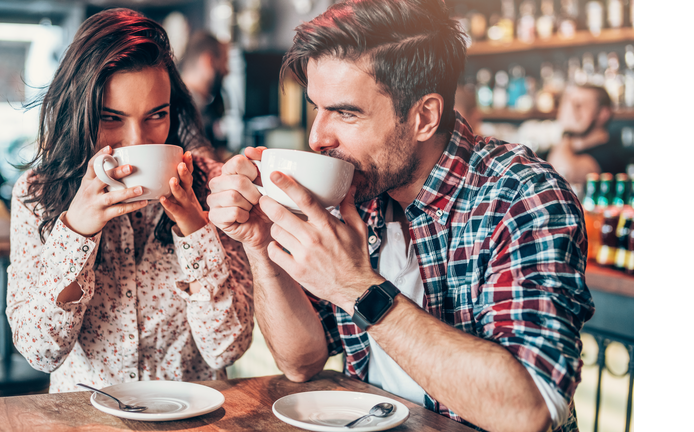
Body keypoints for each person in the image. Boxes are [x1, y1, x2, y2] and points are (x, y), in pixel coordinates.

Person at [206, 1, 594, 431]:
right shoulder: (356, 190)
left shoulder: (521, 196)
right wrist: (260, 243)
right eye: (317, 107)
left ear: (424, 116)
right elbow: (301, 361)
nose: (317, 137)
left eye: (346, 112)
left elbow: (529, 410)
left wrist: (356, 287)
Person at [6, 8, 254, 393]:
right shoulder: (37, 192)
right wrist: (76, 232)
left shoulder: (212, 185)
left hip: (191, 416)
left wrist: (195, 229)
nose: (138, 141)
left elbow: (226, 349)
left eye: (157, 115)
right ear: (79, 113)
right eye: (112, 118)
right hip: (85, 418)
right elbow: (41, 353)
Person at [547, 84, 629, 185]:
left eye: (579, 105)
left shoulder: (611, 154)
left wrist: (567, 131)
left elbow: (564, 174)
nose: (570, 111)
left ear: (603, 114)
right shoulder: (568, 149)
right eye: (568, 103)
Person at [180, 30, 231, 162]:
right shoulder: (183, 107)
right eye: (225, 62)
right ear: (209, 61)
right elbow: (205, 161)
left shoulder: (203, 106)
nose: (227, 71)